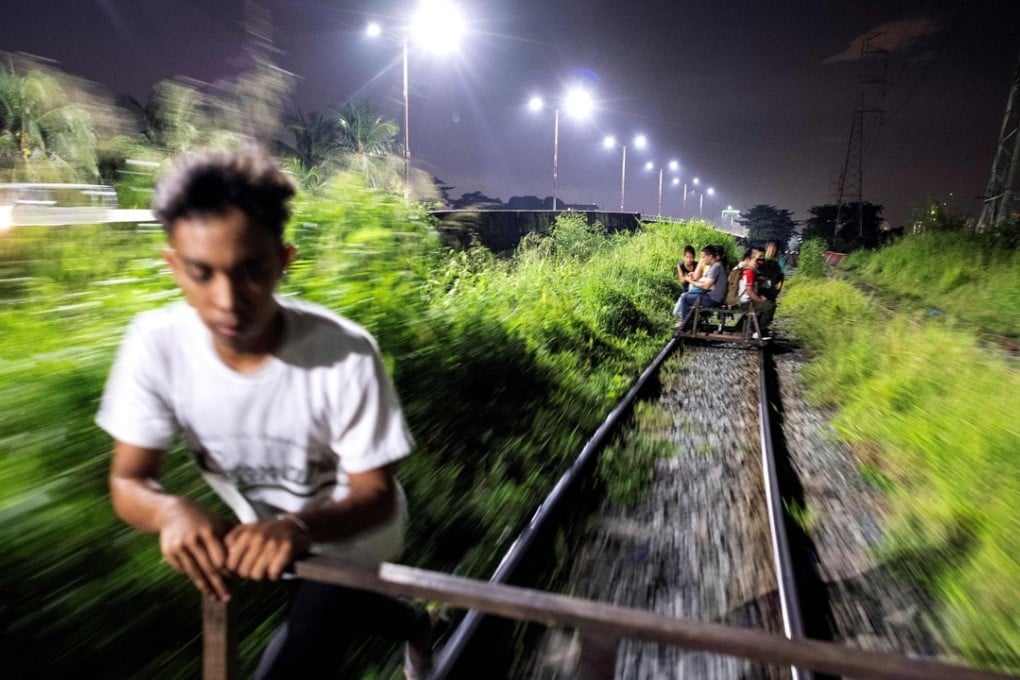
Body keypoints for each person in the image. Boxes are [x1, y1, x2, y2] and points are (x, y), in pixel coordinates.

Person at [95, 147, 432, 679]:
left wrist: (297, 526)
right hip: (264, 526)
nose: (228, 300)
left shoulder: (344, 352)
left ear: (283, 261)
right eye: (202, 274)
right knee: (336, 601)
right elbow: (129, 481)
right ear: (174, 266)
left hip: (358, 529)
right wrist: (169, 513)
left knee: (313, 627)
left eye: (250, 271)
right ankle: (415, 624)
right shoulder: (153, 346)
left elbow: (375, 494)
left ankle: (407, 621)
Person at [674, 244, 727, 331]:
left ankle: (684, 324)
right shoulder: (716, 265)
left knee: (684, 298)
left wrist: (691, 281)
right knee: (689, 295)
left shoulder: (716, 267)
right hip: (714, 296)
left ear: (710, 256)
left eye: (704, 257)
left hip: (713, 299)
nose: (702, 260)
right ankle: (689, 322)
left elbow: (706, 286)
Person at [737, 247, 775, 339]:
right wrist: (760, 300)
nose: (762, 258)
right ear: (753, 256)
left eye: (763, 256)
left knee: (768, 301)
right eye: (760, 256)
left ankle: (751, 328)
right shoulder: (749, 271)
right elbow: (749, 292)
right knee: (770, 305)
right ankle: (759, 331)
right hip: (745, 302)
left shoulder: (753, 269)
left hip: (748, 300)